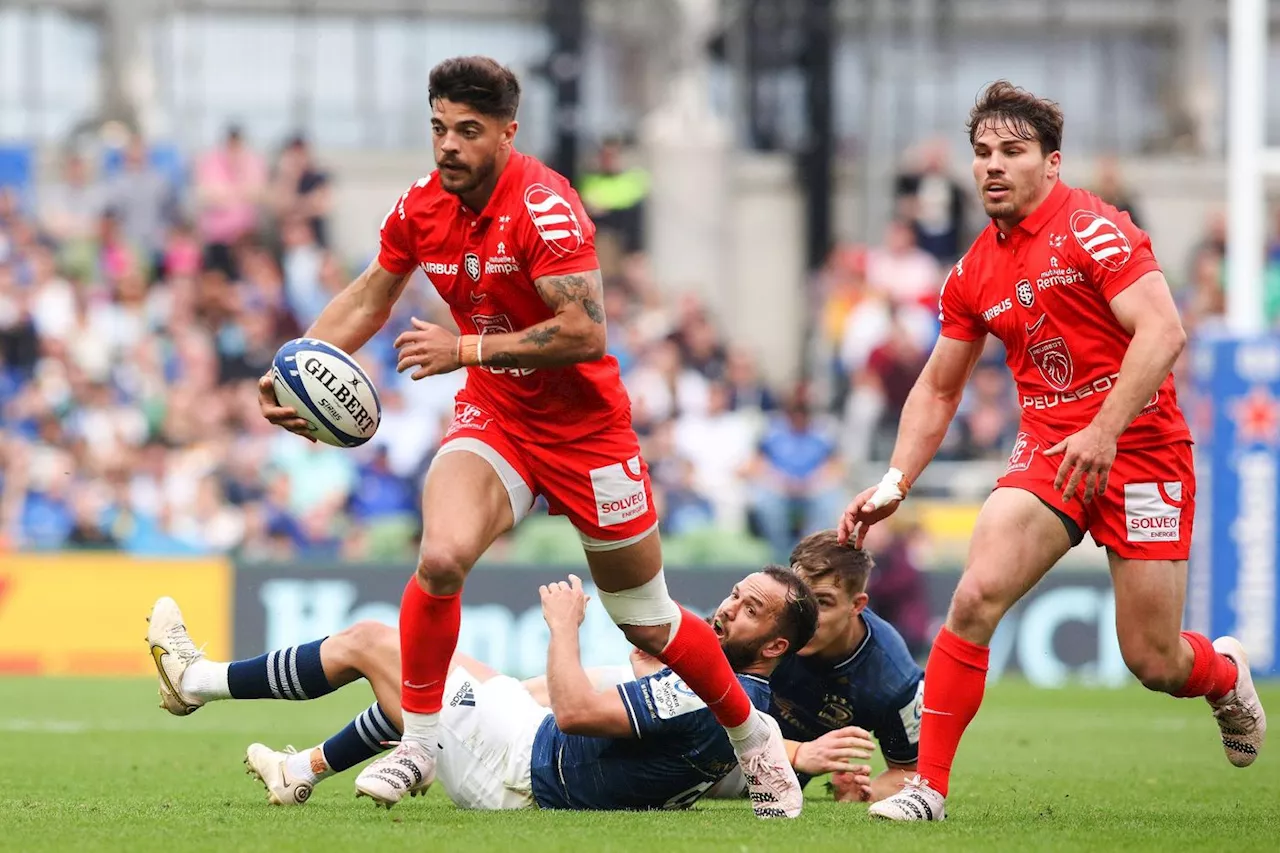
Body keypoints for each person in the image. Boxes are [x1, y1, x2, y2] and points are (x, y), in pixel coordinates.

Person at [254, 56, 803, 818]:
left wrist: (465, 347)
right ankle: (416, 740)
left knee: (645, 616)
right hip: (498, 417)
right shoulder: (420, 206)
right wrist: (293, 369)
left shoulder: (547, 206)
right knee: (441, 556)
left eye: (468, 131)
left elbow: (584, 330)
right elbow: (367, 298)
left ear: (509, 132)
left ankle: (756, 742)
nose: (448, 145)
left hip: (587, 432)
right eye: (439, 127)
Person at [839, 81, 1267, 823]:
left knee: (1153, 659)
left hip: (1139, 448)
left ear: (1052, 162)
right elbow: (939, 389)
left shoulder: (1095, 230)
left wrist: (1103, 430)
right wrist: (895, 478)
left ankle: (1225, 676)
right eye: (981, 153)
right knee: (973, 596)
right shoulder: (973, 270)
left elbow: (1163, 333)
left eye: (1012, 151)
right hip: (1048, 450)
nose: (992, 167)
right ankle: (928, 789)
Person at [145, 569, 857, 811]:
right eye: (736, 595)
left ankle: (195, 682)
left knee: (372, 642)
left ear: (774, 646)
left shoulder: (714, 690)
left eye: (750, 609)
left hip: (521, 770)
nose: (729, 607)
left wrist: (563, 626)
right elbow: (740, 770)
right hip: (530, 739)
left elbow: (577, 708)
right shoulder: (746, 709)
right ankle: (298, 772)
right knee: (434, 670)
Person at [707, 530, 923, 804]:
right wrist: (800, 752)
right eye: (801, 598)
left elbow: (911, 772)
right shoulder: (761, 621)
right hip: (719, 745)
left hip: (760, 777)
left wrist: (864, 794)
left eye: (822, 602)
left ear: (856, 604)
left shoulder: (892, 676)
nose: (807, 618)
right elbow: (696, 710)